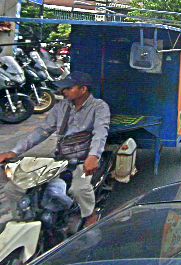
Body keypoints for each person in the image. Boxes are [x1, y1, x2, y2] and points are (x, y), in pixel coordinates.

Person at [0, 72, 110, 227]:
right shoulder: (61, 107)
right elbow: (42, 131)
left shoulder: (99, 106)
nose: (63, 91)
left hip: (83, 160)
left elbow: (100, 132)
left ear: (83, 89)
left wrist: (93, 156)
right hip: (61, 158)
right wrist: (14, 151)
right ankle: (20, 219)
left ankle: (90, 215)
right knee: (13, 187)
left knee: (79, 189)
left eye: (68, 88)